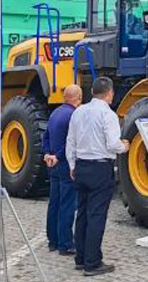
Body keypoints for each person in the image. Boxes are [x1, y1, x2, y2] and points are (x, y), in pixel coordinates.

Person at [66, 77, 130, 276]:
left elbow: (71, 141)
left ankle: (80, 258)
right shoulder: (108, 114)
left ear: (92, 92)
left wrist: (72, 165)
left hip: (81, 166)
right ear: (109, 93)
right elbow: (112, 143)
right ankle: (92, 263)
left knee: (82, 213)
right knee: (96, 216)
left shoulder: (78, 112)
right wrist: (124, 146)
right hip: (100, 168)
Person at [43, 84, 83, 255]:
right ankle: (65, 243)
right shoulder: (74, 115)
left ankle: (52, 241)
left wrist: (48, 154)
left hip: (53, 164)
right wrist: (59, 156)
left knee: (54, 203)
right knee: (67, 205)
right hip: (65, 164)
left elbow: (45, 136)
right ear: (79, 98)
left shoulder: (55, 113)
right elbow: (71, 143)